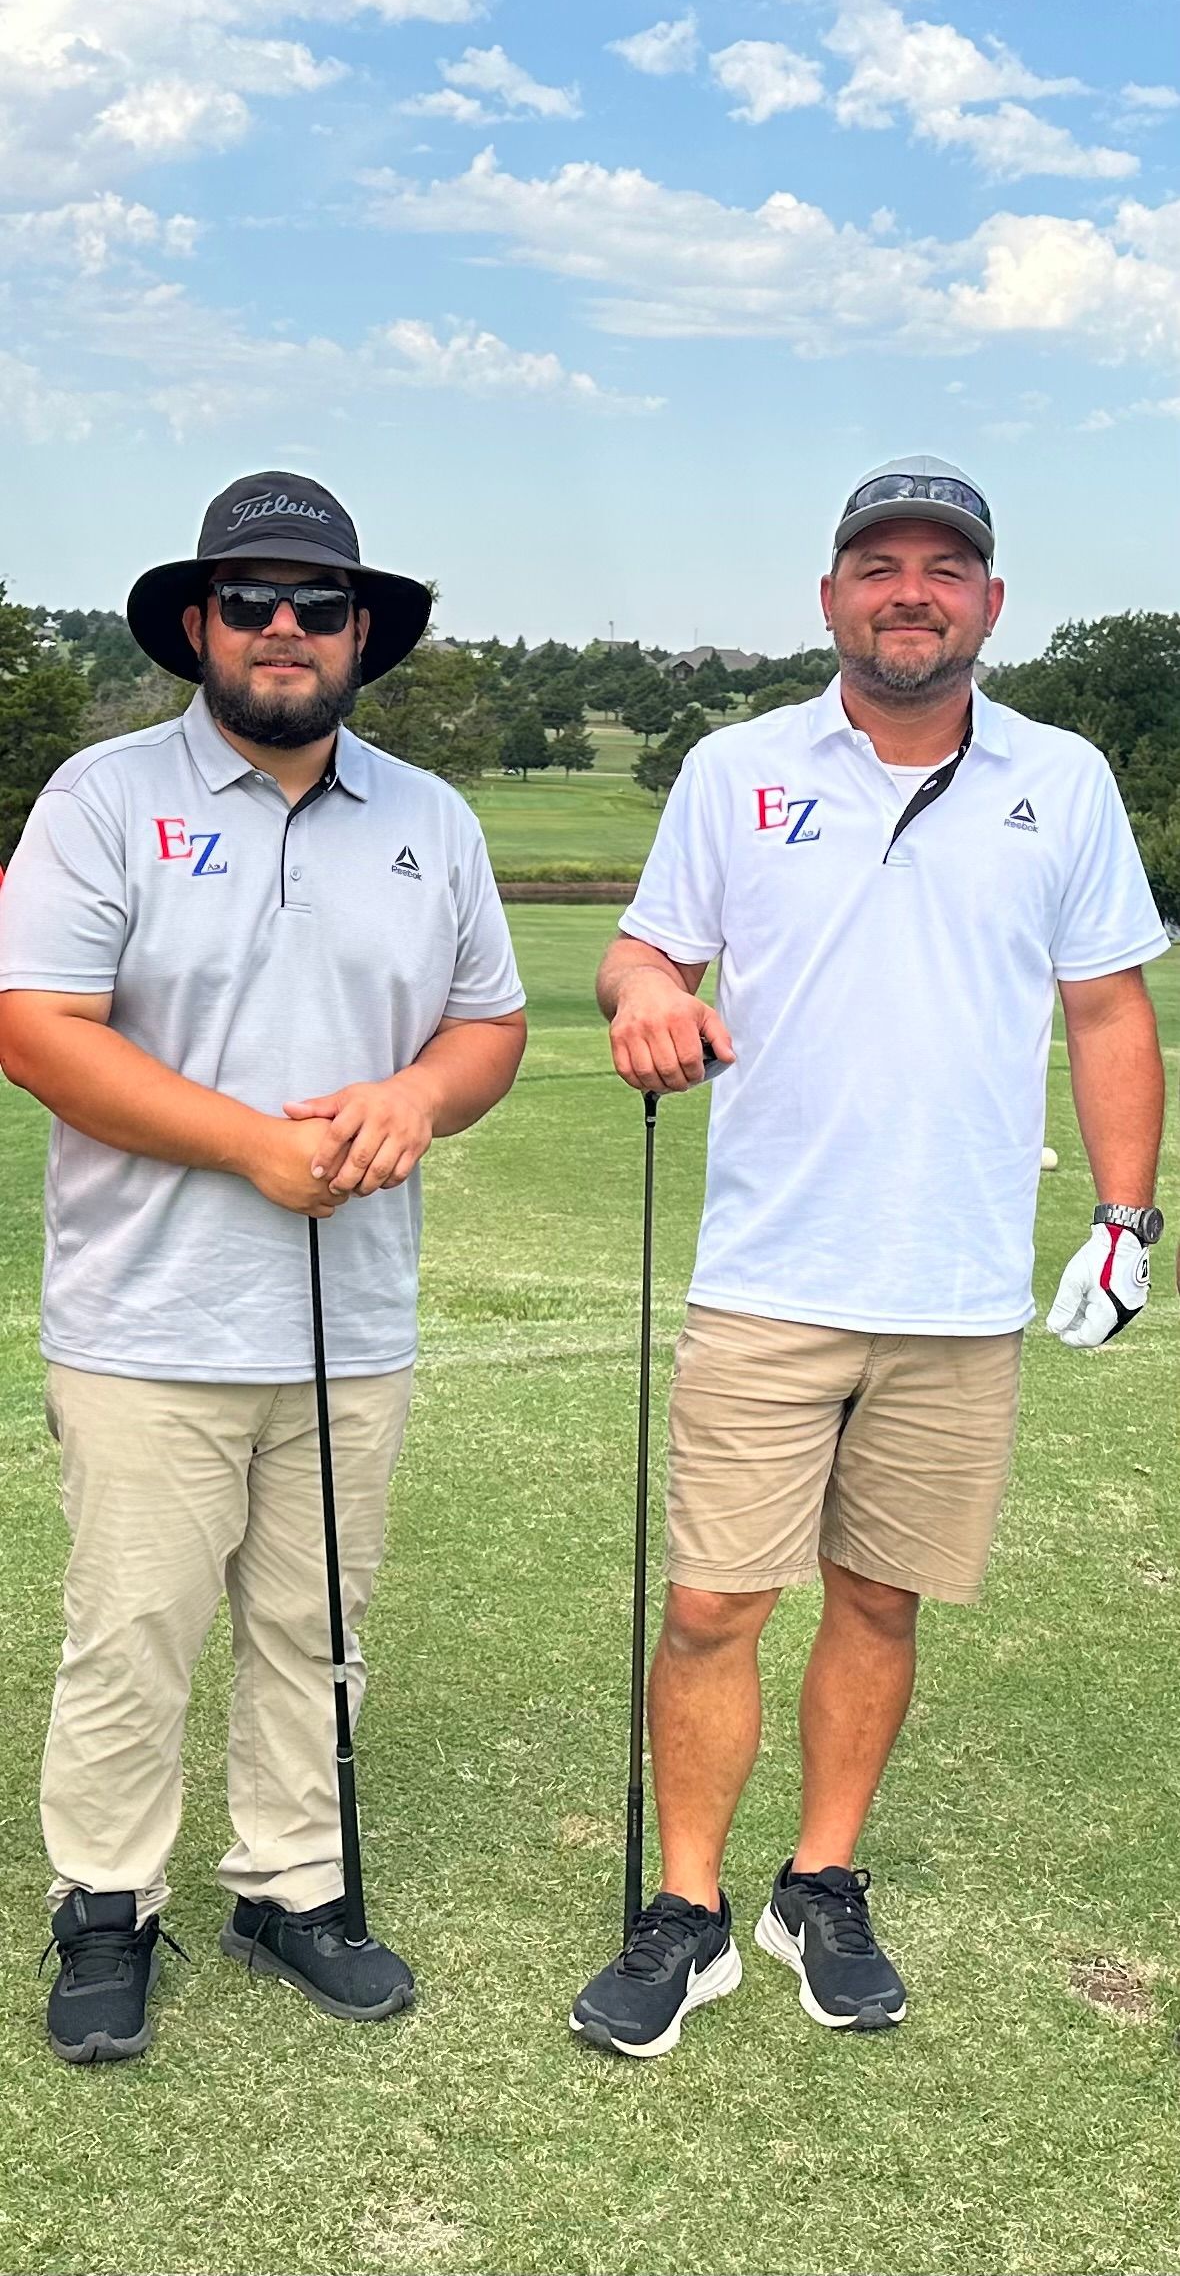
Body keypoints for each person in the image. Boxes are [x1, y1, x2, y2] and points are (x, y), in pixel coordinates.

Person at [571, 455, 1167, 2060]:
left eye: (944, 567)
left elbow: (1107, 1004)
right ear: (829, 595)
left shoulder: (1068, 778)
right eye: (880, 564)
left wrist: (1128, 1215)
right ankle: (685, 1912)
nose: (913, 589)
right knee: (710, 1605)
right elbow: (649, 945)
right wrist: (642, 991)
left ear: (989, 602)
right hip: (770, 1273)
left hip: (954, 1290)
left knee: (882, 1603)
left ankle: (816, 1880)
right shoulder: (734, 766)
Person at [0, 471, 526, 2064]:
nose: (283, 629)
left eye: (318, 604)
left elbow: (488, 1025)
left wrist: (414, 1098)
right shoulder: (100, 799)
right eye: (251, 601)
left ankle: (292, 1887)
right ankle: (107, 1906)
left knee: (315, 1626)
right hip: (147, 1317)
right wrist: (248, 1143)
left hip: (350, 1320)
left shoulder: (432, 819)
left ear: (363, 633)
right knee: (132, 1630)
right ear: (199, 627)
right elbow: (35, 1028)